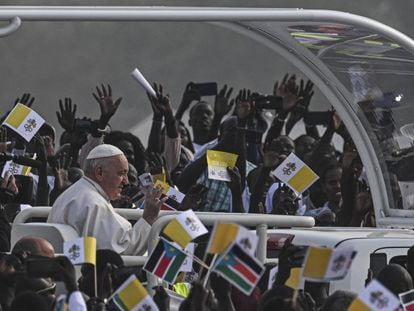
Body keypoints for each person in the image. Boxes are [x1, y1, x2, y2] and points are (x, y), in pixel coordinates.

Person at [47, 144, 163, 255]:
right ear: (99, 172)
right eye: (121, 174)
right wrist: (149, 217)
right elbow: (122, 253)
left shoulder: (75, 193)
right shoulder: (94, 203)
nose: (126, 181)